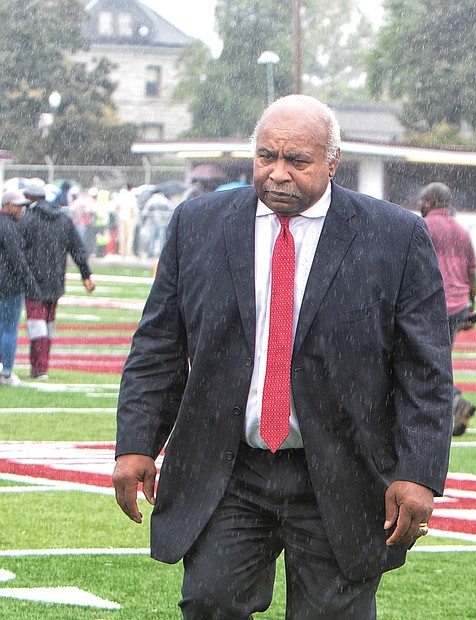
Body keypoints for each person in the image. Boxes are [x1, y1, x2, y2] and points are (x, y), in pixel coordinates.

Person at [113, 95, 453, 620]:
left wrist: (421, 473)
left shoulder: (394, 236)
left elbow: (424, 368)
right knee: (209, 602)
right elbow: (159, 344)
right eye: (266, 156)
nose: (278, 173)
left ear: (333, 163)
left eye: (298, 161)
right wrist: (137, 443)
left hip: (342, 471)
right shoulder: (196, 224)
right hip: (229, 469)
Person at [420, 182, 476, 436]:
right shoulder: (462, 231)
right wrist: (471, 306)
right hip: (458, 305)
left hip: (430, 305)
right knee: (439, 360)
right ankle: (449, 404)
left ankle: (453, 401)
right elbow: (472, 271)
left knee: (424, 362)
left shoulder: (422, 227)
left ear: (430, 201)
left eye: (423, 201)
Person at [19, 185, 95, 380]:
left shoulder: (27, 219)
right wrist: (86, 275)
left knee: (36, 325)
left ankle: (39, 367)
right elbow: (78, 250)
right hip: (56, 278)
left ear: (30, 198)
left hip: (33, 279)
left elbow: (17, 250)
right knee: (48, 324)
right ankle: (43, 364)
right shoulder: (63, 220)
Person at [0, 190, 42, 386]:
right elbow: (17, 258)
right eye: (18, 205)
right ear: (7, 205)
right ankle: (6, 372)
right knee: (8, 329)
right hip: (8, 285)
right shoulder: (8, 226)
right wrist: (31, 284)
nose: (22, 209)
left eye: (24, 206)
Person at [114, 184, 139, 258]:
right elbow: (133, 207)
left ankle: (122, 251)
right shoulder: (131, 195)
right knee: (130, 235)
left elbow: (116, 207)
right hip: (129, 218)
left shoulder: (120, 195)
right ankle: (128, 251)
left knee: (122, 235)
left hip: (122, 217)